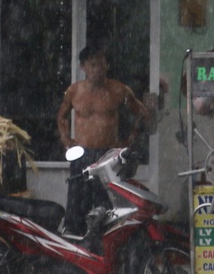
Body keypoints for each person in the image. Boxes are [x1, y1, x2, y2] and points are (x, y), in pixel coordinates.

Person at [56, 45, 149, 236]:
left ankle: (103, 243)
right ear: (83, 67)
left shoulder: (119, 90)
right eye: (93, 64)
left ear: (107, 66)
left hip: (108, 156)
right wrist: (66, 139)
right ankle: (74, 241)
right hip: (82, 153)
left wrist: (129, 140)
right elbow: (61, 117)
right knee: (76, 202)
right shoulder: (74, 91)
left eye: (101, 64)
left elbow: (142, 113)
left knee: (106, 204)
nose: (97, 69)